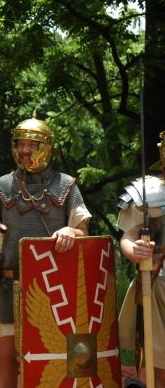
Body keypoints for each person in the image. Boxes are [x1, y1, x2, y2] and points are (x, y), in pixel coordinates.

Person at [0, 113, 91, 388]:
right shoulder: (1, 187)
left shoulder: (66, 186)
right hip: (8, 285)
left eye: (33, 145)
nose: (25, 151)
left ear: (46, 147)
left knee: (54, 357)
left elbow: (85, 235)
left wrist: (69, 231)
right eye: (20, 144)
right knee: (5, 359)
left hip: (54, 290)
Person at [117, 130, 165, 388]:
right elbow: (127, 236)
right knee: (161, 369)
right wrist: (135, 251)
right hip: (158, 285)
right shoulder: (148, 193)